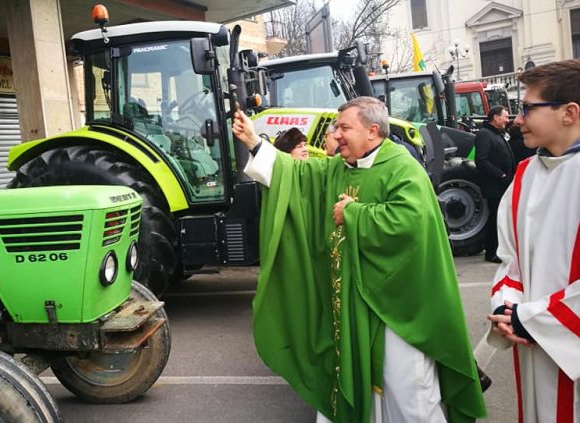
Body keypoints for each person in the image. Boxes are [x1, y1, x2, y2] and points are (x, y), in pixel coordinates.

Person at [232, 97, 486, 422]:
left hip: (399, 310)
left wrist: (353, 214)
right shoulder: (340, 167)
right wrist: (254, 142)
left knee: (409, 394)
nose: (336, 135)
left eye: (344, 128)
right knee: (364, 390)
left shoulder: (401, 168)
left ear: (372, 130)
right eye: (337, 127)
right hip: (354, 305)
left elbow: (409, 222)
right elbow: (296, 173)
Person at [487, 59, 580, 423]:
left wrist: (532, 318)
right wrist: (507, 308)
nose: (517, 119)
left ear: (568, 113)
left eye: (527, 108)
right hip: (530, 345)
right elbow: (509, 260)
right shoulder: (525, 175)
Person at [474, 105, 515, 263]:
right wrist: (502, 174)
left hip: (502, 184)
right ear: (496, 117)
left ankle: (497, 249)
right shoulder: (485, 134)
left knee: (499, 218)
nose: (507, 119)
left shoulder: (496, 134)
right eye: (505, 116)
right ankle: (491, 252)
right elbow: (481, 160)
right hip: (495, 185)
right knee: (495, 220)